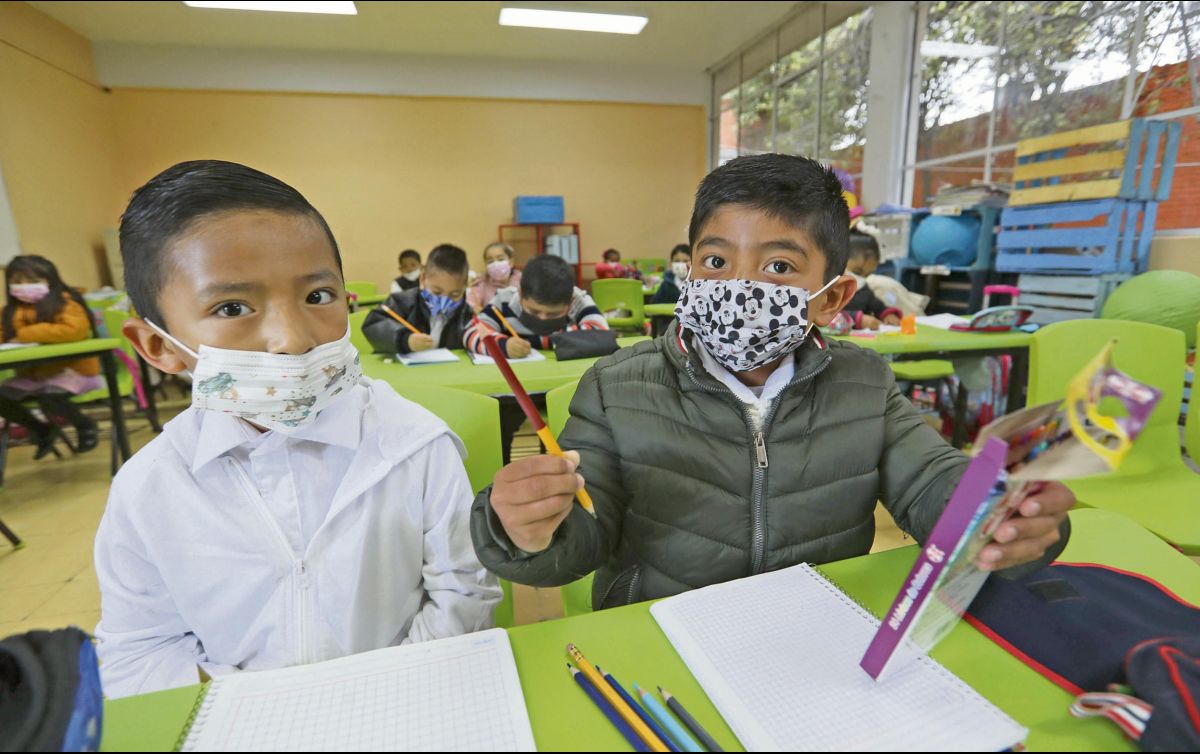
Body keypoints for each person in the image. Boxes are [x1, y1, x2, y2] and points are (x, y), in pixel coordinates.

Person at [470, 153, 1073, 611]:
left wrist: (995, 510)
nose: (738, 285)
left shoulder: (863, 381)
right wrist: (525, 528)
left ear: (832, 298)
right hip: (665, 631)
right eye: (715, 261)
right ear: (690, 272)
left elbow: (932, 479)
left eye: (779, 266)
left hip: (813, 631)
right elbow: (582, 540)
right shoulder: (617, 386)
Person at [94, 160, 499, 699]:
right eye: (232, 307)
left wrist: (381, 695)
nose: (292, 339)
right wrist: (267, 710)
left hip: (407, 704)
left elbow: (463, 591)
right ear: (160, 346)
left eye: (317, 296)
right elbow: (139, 650)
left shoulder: (414, 445)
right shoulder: (148, 490)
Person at [463, 254, 608, 463]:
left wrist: (537, 341)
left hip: (569, 388)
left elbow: (599, 332)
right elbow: (472, 332)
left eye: (552, 315)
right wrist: (504, 345)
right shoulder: (505, 299)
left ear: (569, 302)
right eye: (534, 311)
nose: (541, 319)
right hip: (517, 391)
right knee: (499, 424)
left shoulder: (578, 298)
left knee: (570, 432)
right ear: (521, 294)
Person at [0, 255, 101, 457]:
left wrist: (26, 334)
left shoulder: (66, 303)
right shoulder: (8, 312)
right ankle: (40, 429)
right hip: (32, 376)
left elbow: (73, 330)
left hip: (73, 372)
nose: (24, 287)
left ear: (50, 281)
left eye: (33, 281)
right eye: (17, 282)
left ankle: (85, 424)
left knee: (49, 397)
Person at [362, 244, 473, 354]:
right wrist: (405, 340)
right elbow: (373, 325)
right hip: (402, 369)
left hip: (448, 370)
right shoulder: (403, 301)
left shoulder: (466, 313)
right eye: (437, 292)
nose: (444, 301)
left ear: (464, 288)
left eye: (454, 294)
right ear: (423, 279)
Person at [844, 231, 902, 330]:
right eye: (857, 272)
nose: (860, 278)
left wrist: (887, 314)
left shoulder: (862, 288)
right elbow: (823, 315)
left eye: (867, 274)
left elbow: (876, 305)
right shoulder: (828, 288)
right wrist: (857, 319)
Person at [466, 242, 522, 313]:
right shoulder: (482, 284)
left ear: (511, 262)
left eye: (500, 259)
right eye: (490, 261)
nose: (495, 264)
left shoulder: (522, 280)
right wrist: (476, 309)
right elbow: (469, 302)